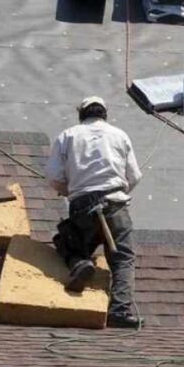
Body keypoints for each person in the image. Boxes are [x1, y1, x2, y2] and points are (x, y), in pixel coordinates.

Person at [45, 95, 143, 328]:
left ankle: (80, 262)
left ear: (82, 114)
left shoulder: (68, 135)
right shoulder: (119, 135)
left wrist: (70, 191)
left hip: (82, 206)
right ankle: (120, 310)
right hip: (115, 203)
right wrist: (119, 190)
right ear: (104, 115)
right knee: (122, 257)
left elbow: (53, 176)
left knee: (67, 242)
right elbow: (134, 176)